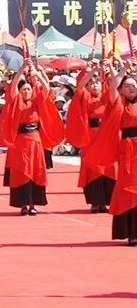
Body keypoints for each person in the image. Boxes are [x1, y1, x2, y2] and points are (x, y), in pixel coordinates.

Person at [0, 60, 64, 216]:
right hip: (20, 142)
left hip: (35, 140)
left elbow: (47, 89)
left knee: (36, 171)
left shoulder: (36, 102)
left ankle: (33, 204)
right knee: (22, 171)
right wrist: (21, 69)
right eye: (24, 89)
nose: (26, 91)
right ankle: (23, 204)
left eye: (28, 89)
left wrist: (38, 74)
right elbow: (13, 86)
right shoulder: (16, 101)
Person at [85, 63, 137, 246]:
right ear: (121, 90)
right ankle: (131, 231)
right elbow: (113, 86)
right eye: (127, 86)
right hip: (129, 150)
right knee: (129, 189)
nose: (131, 88)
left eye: (134, 85)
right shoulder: (119, 103)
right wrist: (123, 70)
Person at [66, 62, 116, 213]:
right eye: (91, 83)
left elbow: (115, 85)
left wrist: (112, 69)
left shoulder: (106, 96)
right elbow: (80, 87)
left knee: (109, 168)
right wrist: (92, 70)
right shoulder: (85, 97)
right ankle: (96, 202)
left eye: (97, 83)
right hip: (90, 137)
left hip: (106, 137)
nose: (95, 85)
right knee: (94, 169)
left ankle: (108, 201)